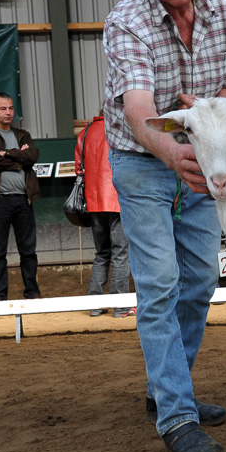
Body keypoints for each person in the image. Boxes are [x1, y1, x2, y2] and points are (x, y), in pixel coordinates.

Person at [104, 0, 226, 452]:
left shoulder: (223, 9)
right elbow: (139, 114)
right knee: (159, 282)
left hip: (199, 158)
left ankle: (167, 384)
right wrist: (175, 148)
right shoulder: (126, 21)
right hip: (142, 162)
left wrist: (208, 133)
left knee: (203, 278)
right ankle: (177, 417)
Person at [0, 92, 42, 301]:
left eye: (11, 108)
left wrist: (7, 153)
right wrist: (18, 158)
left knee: (28, 250)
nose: (8, 112)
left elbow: (33, 156)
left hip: (24, 199)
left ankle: (32, 291)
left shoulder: (23, 134)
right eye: (3, 109)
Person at [75, 109, 132, 318]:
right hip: (117, 200)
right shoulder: (121, 130)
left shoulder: (86, 132)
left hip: (93, 201)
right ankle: (120, 306)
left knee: (101, 254)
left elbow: (78, 168)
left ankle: (96, 305)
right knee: (120, 253)